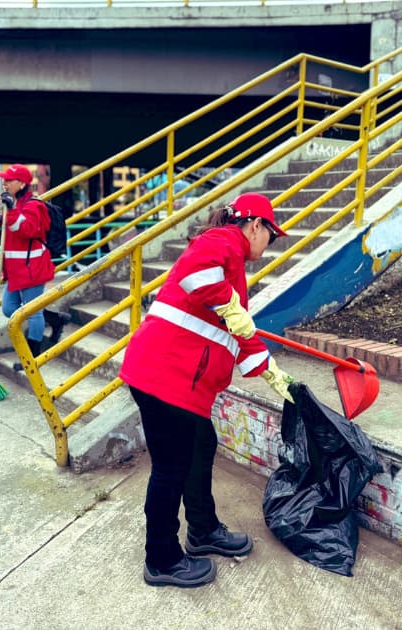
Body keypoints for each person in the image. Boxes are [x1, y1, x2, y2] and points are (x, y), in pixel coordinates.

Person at [118, 192, 294, 588]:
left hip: (178, 381)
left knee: (202, 444)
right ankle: (161, 559)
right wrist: (232, 307)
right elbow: (201, 280)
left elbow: (236, 325)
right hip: (165, 379)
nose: (271, 244)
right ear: (254, 225)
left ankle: (202, 530)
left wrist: (271, 371)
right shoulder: (222, 242)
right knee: (169, 469)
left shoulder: (230, 258)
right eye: (271, 235)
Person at [0, 164, 68, 369]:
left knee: (33, 313)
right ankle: (55, 319)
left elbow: (27, 230)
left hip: (32, 268)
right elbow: (12, 239)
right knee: (10, 309)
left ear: (22, 183)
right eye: (4, 180)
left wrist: (12, 212)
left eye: (9, 180)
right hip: (16, 270)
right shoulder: (14, 203)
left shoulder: (35, 205)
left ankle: (31, 358)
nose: (5, 183)